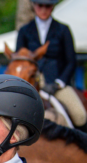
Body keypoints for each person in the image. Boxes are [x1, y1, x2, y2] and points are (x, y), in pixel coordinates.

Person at [16, 0, 87, 131]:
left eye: (47, 6)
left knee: (80, 115)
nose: (43, 9)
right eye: (40, 6)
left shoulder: (63, 30)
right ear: (34, 6)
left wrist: (58, 83)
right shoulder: (24, 31)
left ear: (52, 7)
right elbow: (19, 60)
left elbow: (71, 61)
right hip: (31, 82)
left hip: (57, 83)